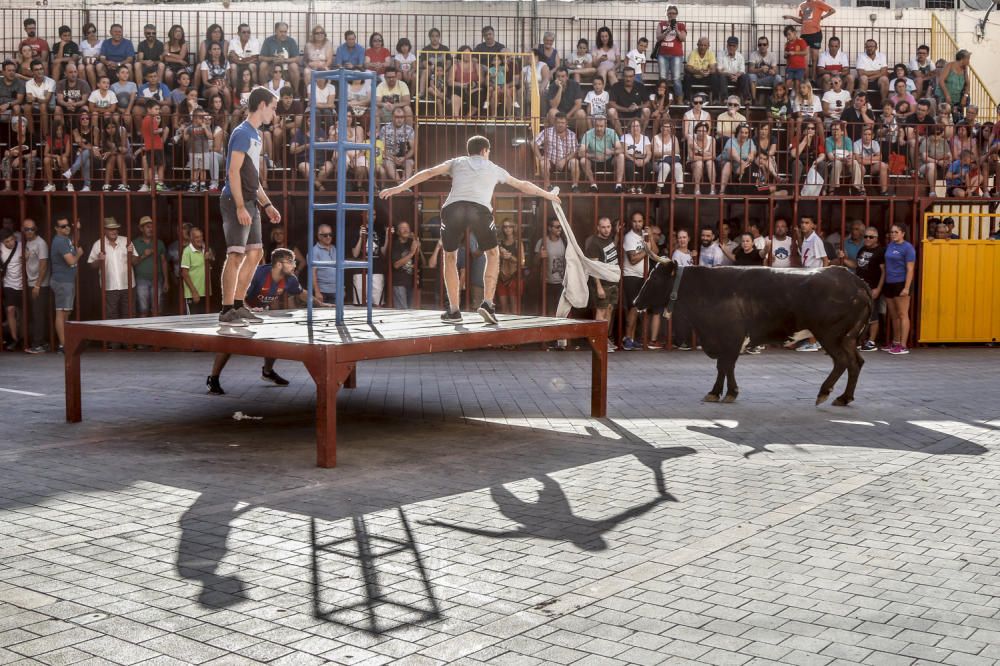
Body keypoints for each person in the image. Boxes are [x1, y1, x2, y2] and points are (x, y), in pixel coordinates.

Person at [380, 134, 559, 325]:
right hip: (479, 209)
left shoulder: (457, 162)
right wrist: (547, 194)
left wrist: (400, 187)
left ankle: (454, 311)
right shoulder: (493, 168)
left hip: (453, 209)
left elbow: (429, 172)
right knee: (492, 253)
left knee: (449, 256)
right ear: (485, 151)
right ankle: (488, 304)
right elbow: (523, 185)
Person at [206, 248, 310, 395]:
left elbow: (302, 293)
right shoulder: (258, 274)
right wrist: (248, 309)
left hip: (259, 312)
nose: (294, 265)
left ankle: (267, 372)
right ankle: (213, 378)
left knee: (274, 337)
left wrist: (320, 303)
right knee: (229, 340)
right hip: (238, 308)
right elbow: (237, 294)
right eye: (291, 262)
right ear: (279, 264)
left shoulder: (290, 279)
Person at [218, 88, 281, 328]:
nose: (274, 113)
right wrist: (240, 206)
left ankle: (237, 304)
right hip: (237, 200)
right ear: (262, 104)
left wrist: (267, 205)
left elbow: (252, 177)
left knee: (255, 253)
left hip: (250, 200)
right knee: (236, 254)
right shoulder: (243, 132)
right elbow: (233, 172)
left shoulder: (255, 134)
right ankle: (226, 310)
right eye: (273, 108)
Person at [87, 217, 137, 323]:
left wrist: (130, 253)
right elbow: (91, 265)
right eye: (110, 229)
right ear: (104, 230)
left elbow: (136, 261)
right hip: (109, 286)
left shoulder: (126, 241)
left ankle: (127, 339)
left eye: (115, 228)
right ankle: (113, 340)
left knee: (129, 315)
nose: (114, 231)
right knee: (110, 316)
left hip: (128, 285)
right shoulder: (98, 244)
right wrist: (99, 260)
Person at [845, 225, 885, 352]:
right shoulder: (862, 249)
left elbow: (884, 271)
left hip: (872, 288)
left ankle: (871, 341)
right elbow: (857, 265)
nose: (867, 239)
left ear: (877, 238)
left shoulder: (880, 252)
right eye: (866, 236)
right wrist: (844, 259)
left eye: (871, 237)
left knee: (872, 316)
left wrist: (878, 288)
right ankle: (860, 339)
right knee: (860, 315)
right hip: (860, 287)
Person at [584, 216, 619, 352]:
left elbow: (610, 251)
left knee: (609, 310)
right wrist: (598, 287)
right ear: (598, 227)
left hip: (611, 282)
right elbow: (593, 268)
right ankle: (599, 341)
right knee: (601, 311)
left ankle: (604, 338)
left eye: (608, 227)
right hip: (602, 284)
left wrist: (616, 233)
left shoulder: (609, 239)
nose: (606, 230)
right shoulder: (594, 243)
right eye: (603, 227)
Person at [49, 217, 82, 353]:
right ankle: (63, 345)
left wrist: (77, 230)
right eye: (63, 226)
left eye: (68, 225)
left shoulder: (65, 240)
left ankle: (65, 343)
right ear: (56, 229)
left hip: (66, 281)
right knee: (61, 313)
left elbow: (73, 243)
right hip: (62, 282)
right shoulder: (60, 241)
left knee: (66, 312)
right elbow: (71, 261)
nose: (66, 228)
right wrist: (79, 254)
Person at [621, 211, 652, 351]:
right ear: (631, 222)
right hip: (631, 277)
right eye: (635, 221)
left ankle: (632, 339)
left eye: (640, 221)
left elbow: (654, 251)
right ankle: (627, 338)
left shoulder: (644, 236)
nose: (637, 224)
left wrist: (650, 238)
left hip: (643, 277)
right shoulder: (629, 237)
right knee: (633, 309)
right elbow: (633, 260)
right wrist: (646, 250)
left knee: (638, 309)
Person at [883, 223, 915, 354]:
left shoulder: (908, 248)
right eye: (892, 232)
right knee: (893, 315)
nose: (893, 234)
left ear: (903, 233)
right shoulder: (890, 245)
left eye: (896, 232)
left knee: (902, 314)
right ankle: (895, 342)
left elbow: (910, 269)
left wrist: (906, 288)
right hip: (889, 283)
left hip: (901, 283)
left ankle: (903, 345)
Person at [783, 0, 834, 81]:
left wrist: (822, 17)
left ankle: (813, 78)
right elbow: (802, 21)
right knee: (804, 58)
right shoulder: (802, 5)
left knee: (814, 58)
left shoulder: (818, 3)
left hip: (816, 34)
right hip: (804, 34)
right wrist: (791, 17)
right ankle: (805, 79)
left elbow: (832, 11)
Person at [131, 216, 168, 317]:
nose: (151, 229)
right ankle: (145, 331)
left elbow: (164, 262)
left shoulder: (159, 243)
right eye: (148, 227)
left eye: (152, 227)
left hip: (157, 280)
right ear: (141, 228)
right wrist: (143, 255)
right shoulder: (134, 243)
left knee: (157, 309)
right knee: (143, 309)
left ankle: (157, 331)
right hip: (141, 280)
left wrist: (166, 280)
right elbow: (132, 262)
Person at [532, 111, 579, 190]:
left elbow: (575, 151)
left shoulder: (572, 135)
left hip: (566, 162)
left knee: (575, 162)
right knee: (543, 163)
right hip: (551, 161)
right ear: (554, 122)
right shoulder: (547, 132)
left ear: (566, 123)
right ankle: (548, 186)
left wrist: (564, 160)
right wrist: (540, 157)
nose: (560, 125)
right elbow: (533, 143)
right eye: (558, 122)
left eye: (563, 122)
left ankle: (575, 186)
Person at [578, 115, 624, 193]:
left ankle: (618, 185)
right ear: (593, 125)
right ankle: (593, 185)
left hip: (608, 160)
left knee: (621, 156)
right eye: (597, 126)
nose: (599, 128)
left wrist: (611, 152)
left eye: (601, 126)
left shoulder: (611, 132)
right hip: (593, 161)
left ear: (605, 125)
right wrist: (593, 155)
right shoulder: (588, 134)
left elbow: (621, 149)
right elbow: (580, 153)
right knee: (583, 160)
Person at [535, 217, 566, 318]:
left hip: (562, 283)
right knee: (549, 312)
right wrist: (539, 255)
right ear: (549, 228)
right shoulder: (543, 242)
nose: (559, 229)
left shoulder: (564, 241)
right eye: (557, 227)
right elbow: (534, 263)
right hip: (547, 283)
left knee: (562, 311)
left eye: (560, 227)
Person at [656, 5, 686, 103]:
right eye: (669, 13)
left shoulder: (681, 25)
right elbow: (659, 38)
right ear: (667, 14)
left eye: (673, 13)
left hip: (676, 55)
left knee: (676, 78)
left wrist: (676, 30)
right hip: (662, 55)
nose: (671, 15)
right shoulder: (661, 24)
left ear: (676, 14)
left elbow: (683, 38)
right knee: (663, 79)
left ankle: (679, 100)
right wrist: (667, 30)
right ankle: (663, 100)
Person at [1, 228, 24, 351]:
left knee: (22, 312)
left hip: (23, 284)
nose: (10, 243)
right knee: (10, 310)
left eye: (11, 240)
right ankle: (14, 339)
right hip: (9, 283)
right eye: (7, 242)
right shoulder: (0, 249)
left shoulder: (21, 246)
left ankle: (23, 338)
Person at [260, 22, 300, 91]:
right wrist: (273, 58)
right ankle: (264, 91)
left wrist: (284, 60)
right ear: (276, 31)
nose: (283, 34)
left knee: (294, 66)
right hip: (272, 67)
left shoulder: (291, 41)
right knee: (263, 65)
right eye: (281, 32)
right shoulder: (268, 41)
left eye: (285, 32)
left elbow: (297, 58)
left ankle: (296, 92)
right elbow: (261, 57)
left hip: (286, 67)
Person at [389, 221, 420, 309]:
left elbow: (421, 262)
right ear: (398, 232)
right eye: (402, 228)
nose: (406, 230)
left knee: (411, 312)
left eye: (407, 228)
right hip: (399, 282)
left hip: (412, 282)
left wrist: (417, 245)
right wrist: (412, 253)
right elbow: (396, 265)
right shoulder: (395, 244)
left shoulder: (411, 243)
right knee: (402, 311)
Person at [715, 36, 751, 106]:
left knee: (745, 76)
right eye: (730, 45)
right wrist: (729, 75)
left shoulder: (740, 56)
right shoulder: (721, 54)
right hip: (726, 77)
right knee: (722, 76)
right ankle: (724, 99)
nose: (731, 47)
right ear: (727, 45)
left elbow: (742, 70)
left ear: (737, 47)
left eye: (733, 46)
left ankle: (747, 99)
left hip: (737, 78)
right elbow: (719, 70)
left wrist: (736, 76)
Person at [180, 227, 209, 314]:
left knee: (205, 320)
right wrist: (194, 292)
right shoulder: (187, 251)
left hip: (205, 292)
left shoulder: (205, 250)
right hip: (193, 294)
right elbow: (184, 273)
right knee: (193, 321)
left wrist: (210, 257)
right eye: (196, 237)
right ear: (191, 239)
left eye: (201, 236)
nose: (199, 239)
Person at [683, 37, 716, 104]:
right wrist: (698, 71)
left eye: (705, 45)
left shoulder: (710, 54)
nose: (702, 47)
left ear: (708, 46)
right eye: (701, 45)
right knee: (687, 76)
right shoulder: (693, 53)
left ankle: (715, 99)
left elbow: (713, 68)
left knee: (715, 77)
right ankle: (687, 99)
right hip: (695, 77)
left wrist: (708, 71)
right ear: (697, 45)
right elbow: (688, 67)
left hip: (705, 77)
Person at [748, 36, 781, 100]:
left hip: (767, 79)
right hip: (756, 80)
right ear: (758, 46)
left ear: (767, 45)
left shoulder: (772, 55)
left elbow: (775, 70)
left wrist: (773, 71)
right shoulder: (754, 54)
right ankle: (753, 100)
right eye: (760, 45)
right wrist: (760, 69)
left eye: (764, 44)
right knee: (751, 76)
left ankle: (775, 99)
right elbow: (750, 70)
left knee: (778, 77)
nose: (762, 46)